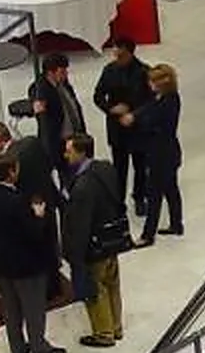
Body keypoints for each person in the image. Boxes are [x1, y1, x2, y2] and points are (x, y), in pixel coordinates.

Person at [0, 152, 66, 353]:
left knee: (11, 308)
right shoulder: (19, 201)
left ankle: (17, 347)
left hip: (2, 261)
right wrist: (39, 216)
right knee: (33, 307)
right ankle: (39, 346)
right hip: (27, 264)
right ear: (11, 172)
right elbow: (33, 233)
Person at [61, 133, 125, 349]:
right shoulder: (105, 168)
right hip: (112, 239)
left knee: (95, 290)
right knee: (112, 284)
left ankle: (104, 333)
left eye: (69, 151)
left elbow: (80, 225)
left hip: (93, 247)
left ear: (81, 153)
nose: (66, 155)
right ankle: (116, 326)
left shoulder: (82, 187)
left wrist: (74, 256)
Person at [0, 121, 62, 301]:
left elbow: (11, 184)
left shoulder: (9, 160)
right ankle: (55, 285)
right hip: (47, 198)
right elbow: (48, 164)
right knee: (51, 243)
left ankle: (45, 289)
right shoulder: (31, 142)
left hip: (30, 206)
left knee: (39, 248)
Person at [91, 36, 152, 217]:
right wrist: (110, 109)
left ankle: (139, 197)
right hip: (117, 127)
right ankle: (118, 201)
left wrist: (134, 114)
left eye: (121, 55)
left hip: (138, 127)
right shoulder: (109, 70)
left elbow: (150, 101)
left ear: (130, 53)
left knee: (140, 166)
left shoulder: (144, 72)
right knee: (119, 168)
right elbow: (98, 95)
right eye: (115, 54)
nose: (117, 58)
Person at [135, 63, 184, 247]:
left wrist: (137, 120)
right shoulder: (166, 98)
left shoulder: (167, 103)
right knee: (171, 189)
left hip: (161, 155)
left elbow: (150, 120)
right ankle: (176, 224)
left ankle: (148, 235)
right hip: (169, 152)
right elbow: (147, 109)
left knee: (154, 195)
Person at [31, 52, 87, 188]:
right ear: (50, 73)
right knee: (67, 178)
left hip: (75, 136)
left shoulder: (64, 84)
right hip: (59, 142)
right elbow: (36, 105)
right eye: (62, 72)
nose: (66, 75)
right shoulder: (39, 89)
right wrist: (36, 106)